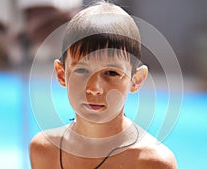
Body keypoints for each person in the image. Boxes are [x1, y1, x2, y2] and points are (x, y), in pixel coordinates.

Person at [29, 1, 177, 169]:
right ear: (62, 74)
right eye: (82, 71)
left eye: (111, 73)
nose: (94, 88)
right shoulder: (43, 151)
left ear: (136, 80)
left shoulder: (152, 162)